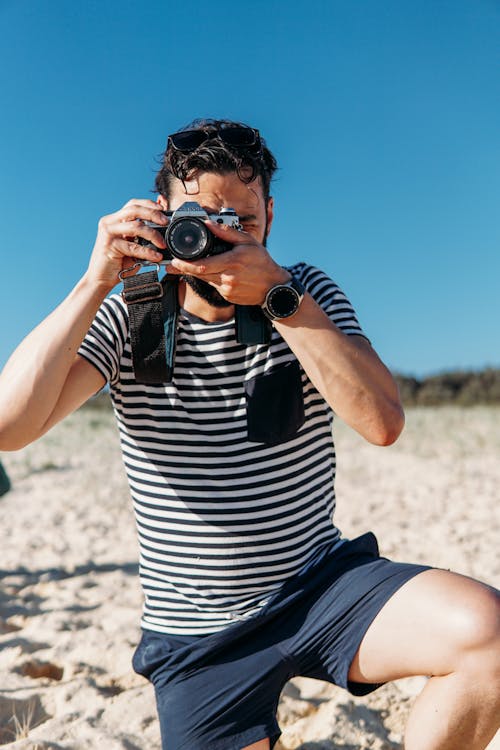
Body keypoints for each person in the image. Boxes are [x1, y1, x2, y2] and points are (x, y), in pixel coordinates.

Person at [0, 118, 498, 750]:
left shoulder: (304, 290)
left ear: (269, 214)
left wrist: (280, 299)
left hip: (319, 584)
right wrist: (95, 279)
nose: (221, 235)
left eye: (243, 220)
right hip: (197, 637)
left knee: (488, 636)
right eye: (202, 218)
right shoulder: (133, 310)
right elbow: (9, 428)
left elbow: (382, 422)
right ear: (162, 216)